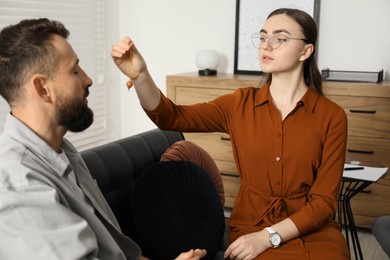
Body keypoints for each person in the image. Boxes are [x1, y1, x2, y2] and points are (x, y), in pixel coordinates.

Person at [112, 8, 350, 260]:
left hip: (313, 230)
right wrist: (140, 76)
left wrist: (269, 236)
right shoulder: (239, 104)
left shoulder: (332, 117)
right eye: (262, 37)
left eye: (279, 38)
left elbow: (324, 202)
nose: (266, 46)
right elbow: (171, 116)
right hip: (252, 228)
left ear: (306, 51)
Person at [0, 18, 206, 260]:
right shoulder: (19, 188)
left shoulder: (61, 151)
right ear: (43, 89)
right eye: (74, 70)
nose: (88, 80)